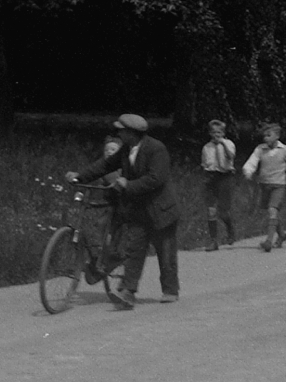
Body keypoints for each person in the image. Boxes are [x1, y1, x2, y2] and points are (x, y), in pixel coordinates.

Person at [68, 112, 181, 308]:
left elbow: (156, 179)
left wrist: (128, 184)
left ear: (132, 133)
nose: (118, 133)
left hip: (161, 211)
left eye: (122, 131)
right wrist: (80, 176)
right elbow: (105, 165)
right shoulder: (126, 150)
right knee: (134, 251)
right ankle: (128, 292)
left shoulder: (156, 149)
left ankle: (170, 290)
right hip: (138, 210)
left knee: (166, 253)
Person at [242, 122, 286, 252]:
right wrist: (248, 171)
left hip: (279, 185)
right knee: (271, 212)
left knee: (272, 209)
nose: (265, 138)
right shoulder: (261, 149)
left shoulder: (285, 150)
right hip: (265, 185)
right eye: (264, 136)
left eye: (269, 135)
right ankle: (281, 235)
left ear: (277, 136)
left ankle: (269, 241)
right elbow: (252, 161)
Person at [200, 118, 238, 251]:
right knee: (211, 210)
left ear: (223, 133)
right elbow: (205, 164)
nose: (216, 135)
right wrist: (206, 177)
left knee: (223, 211)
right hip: (211, 177)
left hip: (225, 177)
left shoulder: (229, 144)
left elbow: (231, 156)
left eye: (219, 132)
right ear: (210, 133)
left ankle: (230, 230)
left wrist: (223, 144)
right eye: (214, 132)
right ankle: (213, 240)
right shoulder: (206, 147)